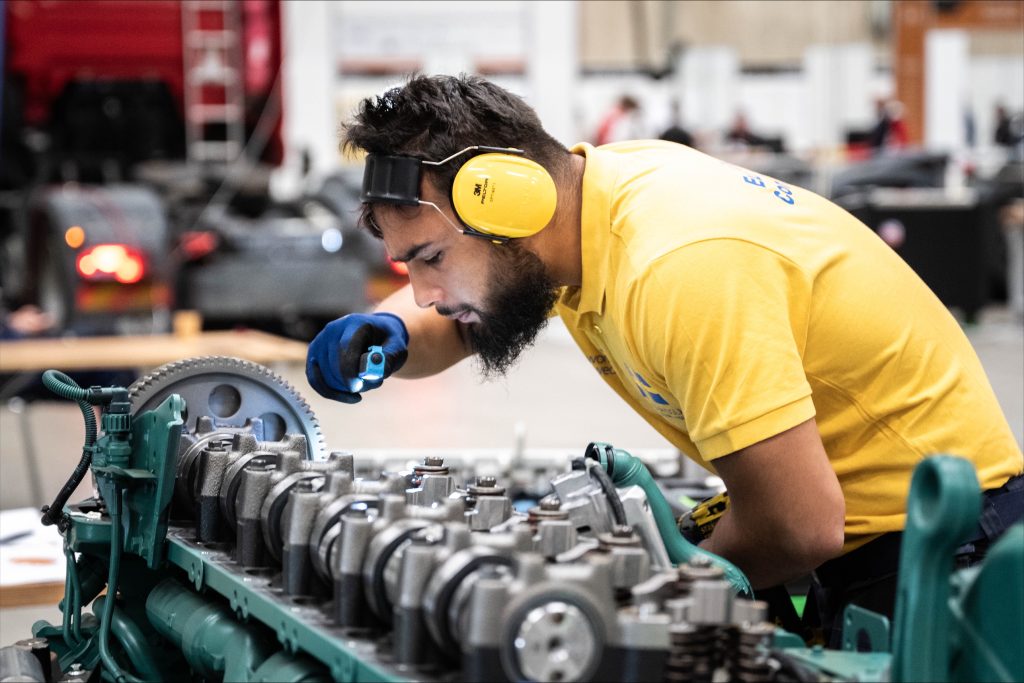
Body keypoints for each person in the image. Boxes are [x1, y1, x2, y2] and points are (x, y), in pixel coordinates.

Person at [306, 74, 1023, 645]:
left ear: (512, 203)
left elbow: (800, 523)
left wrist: (616, 586)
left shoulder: (678, 264)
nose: (424, 294)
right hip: (865, 537)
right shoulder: (585, 210)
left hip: (941, 549)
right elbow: (471, 315)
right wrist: (381, 333)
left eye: (428, 258)